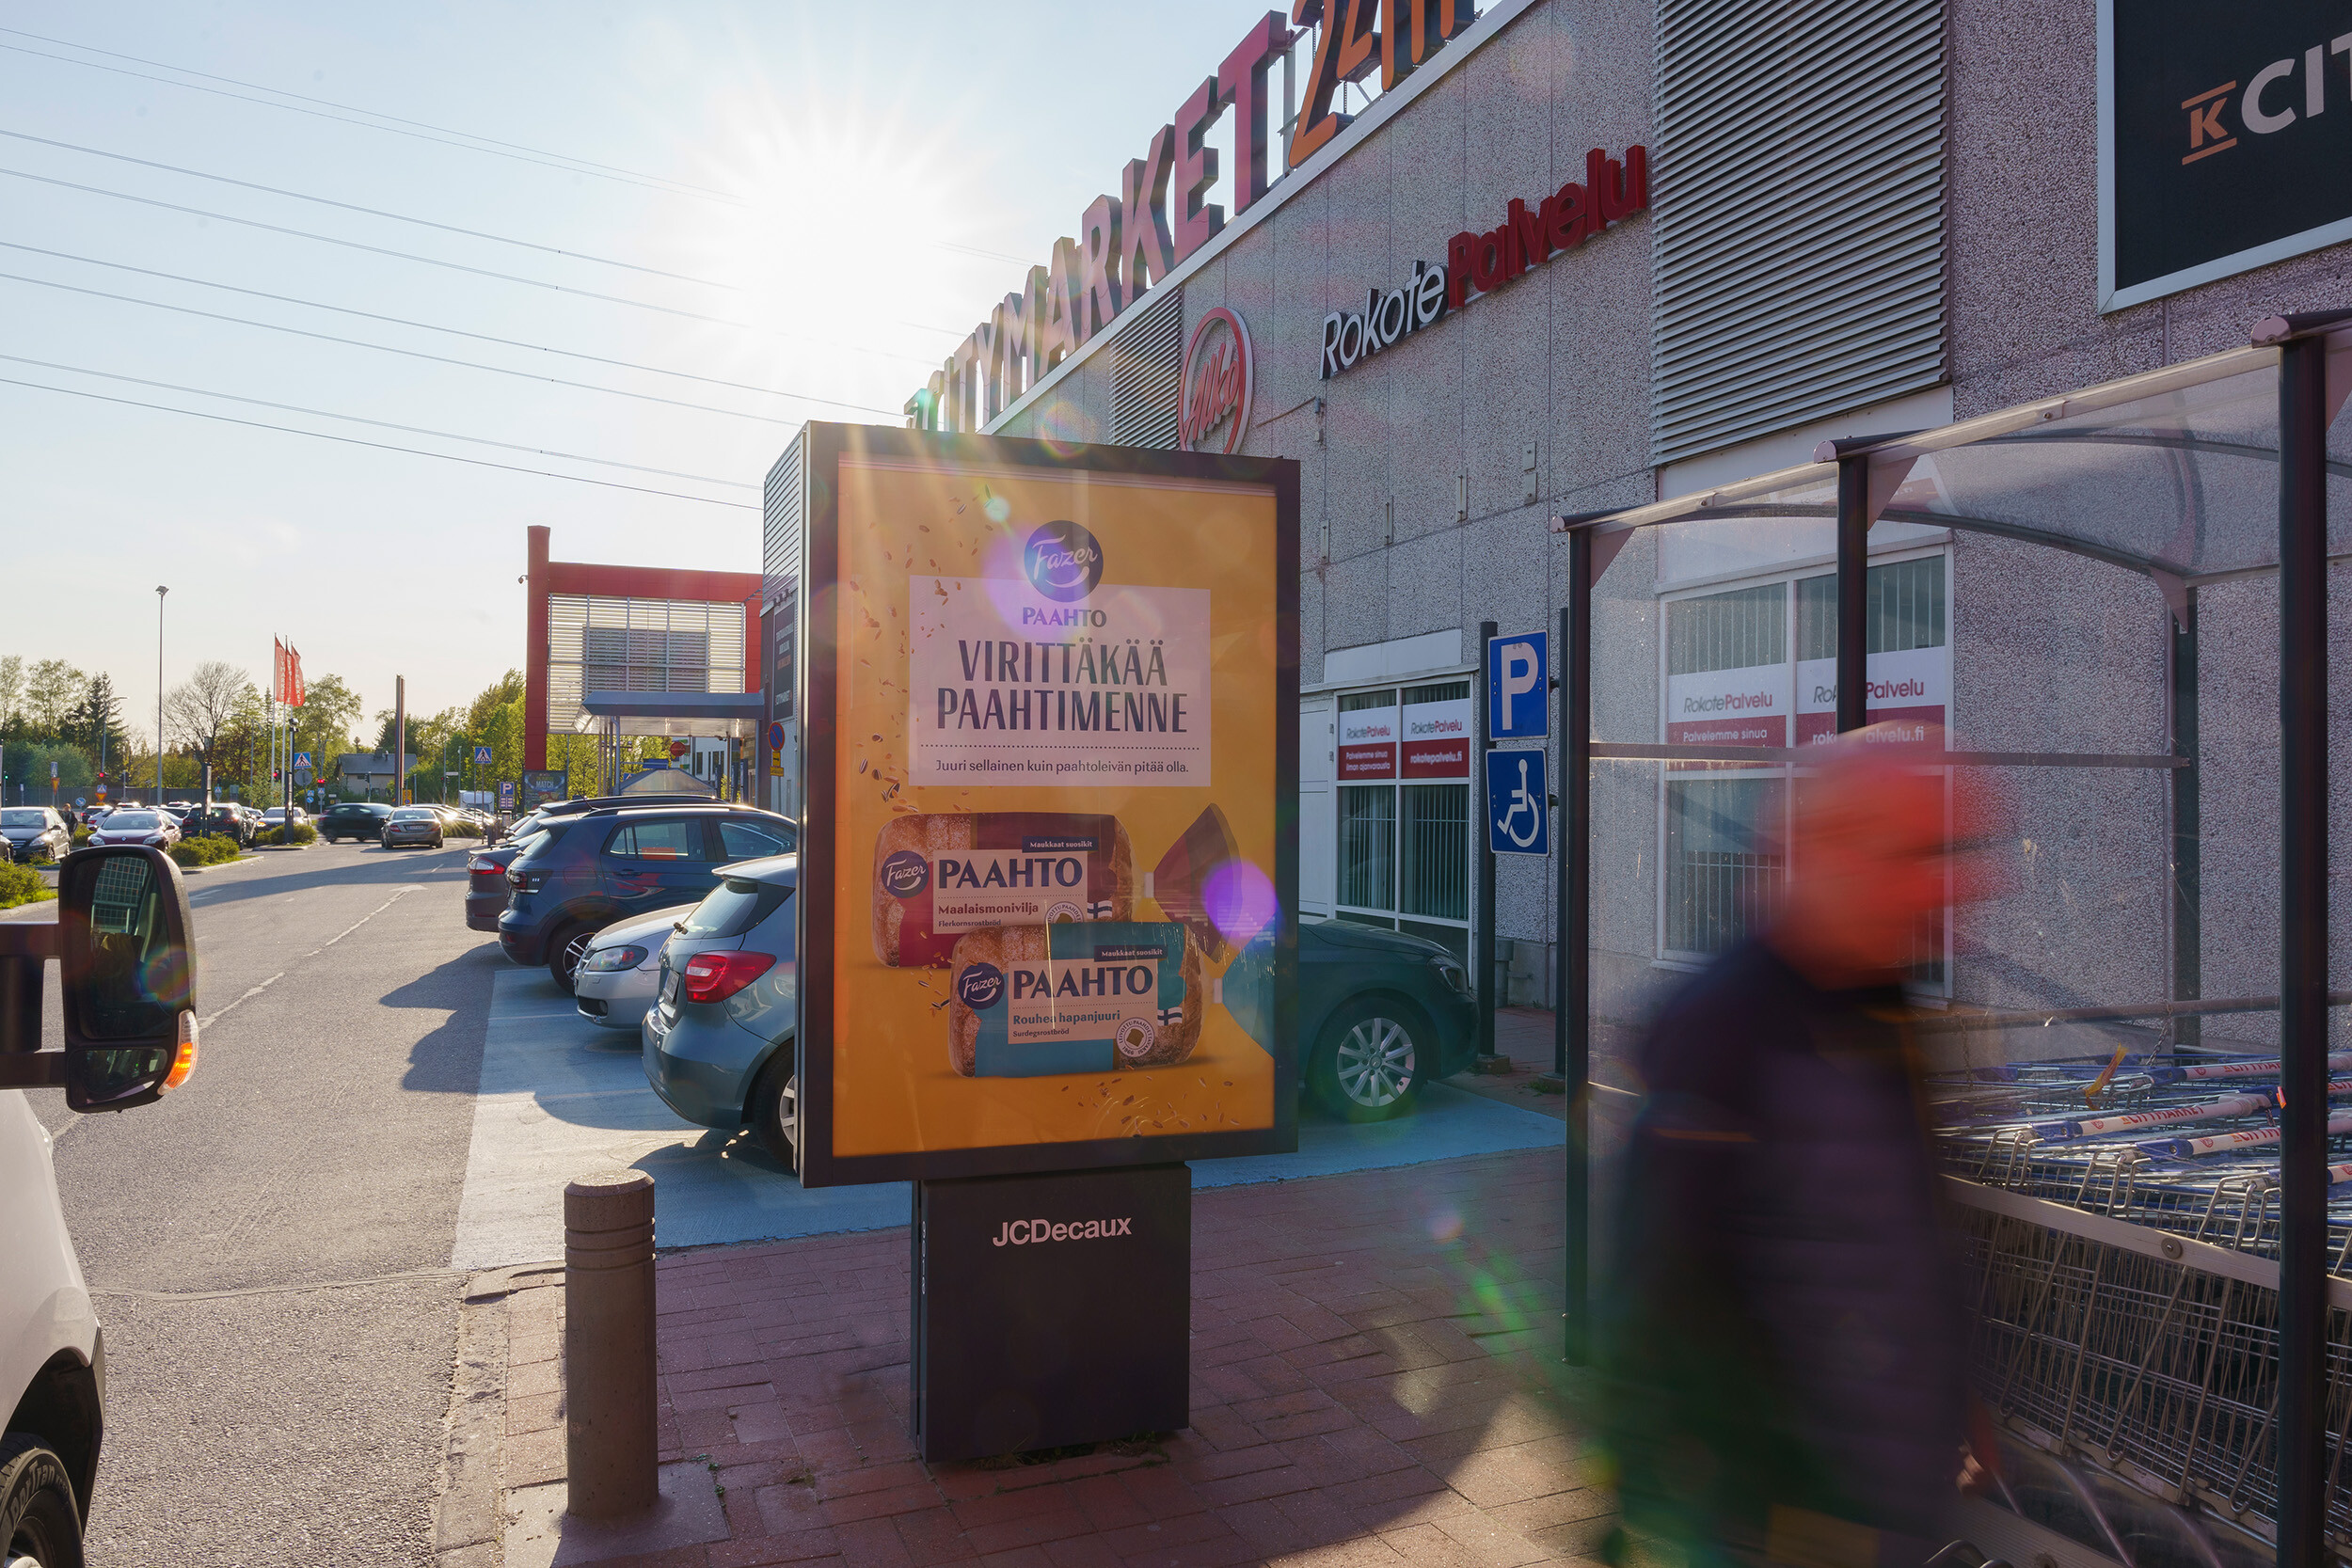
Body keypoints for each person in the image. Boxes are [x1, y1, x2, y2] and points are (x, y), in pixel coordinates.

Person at [1598, 727, 2001, 1568]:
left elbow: (1907, 1226)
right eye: (1922, 853)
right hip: (1783, 1516)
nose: (1959, 882)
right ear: (1829, 850)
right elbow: (1659, 1287)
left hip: (1873, 1499)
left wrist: (1954, 1392)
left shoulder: (1879, 1003)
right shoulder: (1724, 1028)